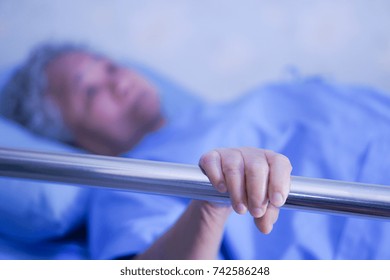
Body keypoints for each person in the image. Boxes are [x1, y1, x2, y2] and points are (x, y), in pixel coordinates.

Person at [1, 42, 390, 259]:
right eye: (89, 90)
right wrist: (211, 200)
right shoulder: (126, 186)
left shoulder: (217, 112)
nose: (117, 81)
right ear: (73, 137)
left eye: (109, 66)